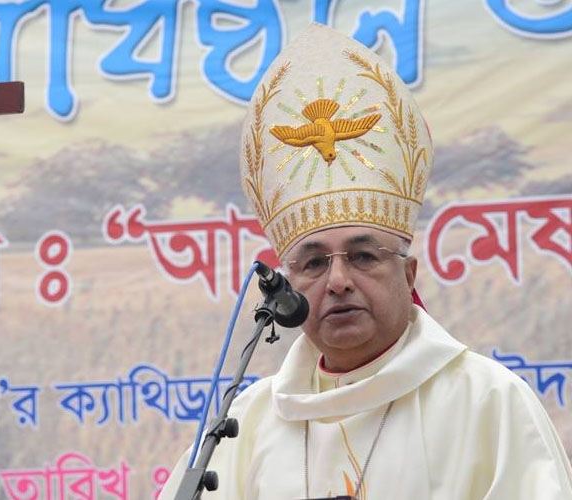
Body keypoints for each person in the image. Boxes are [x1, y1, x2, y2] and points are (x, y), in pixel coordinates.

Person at [159, 25, 572, 500]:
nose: (338, 281)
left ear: (409, 275)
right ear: (289, 288)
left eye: (362, 256)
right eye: (314, 264)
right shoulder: (246, 423)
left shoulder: (488, 402)